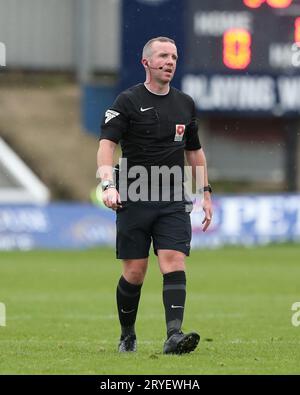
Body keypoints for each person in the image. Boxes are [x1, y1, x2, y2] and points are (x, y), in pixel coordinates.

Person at [97, 37, 213, 355]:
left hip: (174, 197)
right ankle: (127, 334)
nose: (170, 61)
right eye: (163, 55)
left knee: (174, 261)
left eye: (174, 56)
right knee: (135, 272)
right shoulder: (127, 101)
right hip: (133, 195)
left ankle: (174, 336)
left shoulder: (185, 103)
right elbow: (107, 146)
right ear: (146, 62)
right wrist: (108, 185)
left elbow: (194, 151)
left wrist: (205, 191)